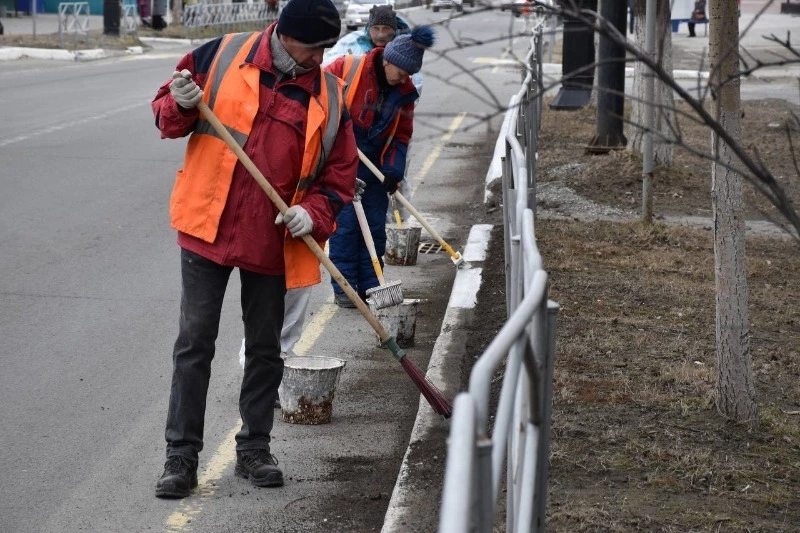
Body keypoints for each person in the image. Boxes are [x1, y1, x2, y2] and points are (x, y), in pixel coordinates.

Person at [150, 0, 358, 499]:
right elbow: (166, 119)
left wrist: (315, 212)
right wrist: (177, 101)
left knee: (267, 348)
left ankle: (254, 448)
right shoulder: (219, 55)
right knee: (195, 343)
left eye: (326, 48)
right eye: (313, 48)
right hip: (208, 224)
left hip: (274, 238)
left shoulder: (329, 95)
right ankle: (181, 456)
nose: (319, 58)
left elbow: (339, 176)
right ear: (284, 35)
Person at [325, 26, 435, 308]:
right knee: (346, 228)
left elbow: (400, 137)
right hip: (342, 164)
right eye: (401, 71)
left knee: (374, 228)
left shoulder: (405, 93)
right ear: (387, 60)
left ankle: (371, 288)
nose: (404, 78)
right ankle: (346, 290)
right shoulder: (346, 68)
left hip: (374, 168)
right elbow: (317, 105)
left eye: (409, 73)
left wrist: (393, 171)